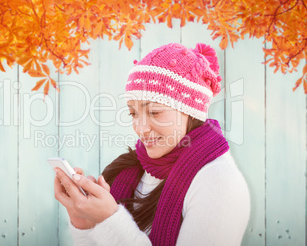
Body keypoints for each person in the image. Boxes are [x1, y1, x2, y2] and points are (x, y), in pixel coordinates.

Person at [53, 43, 251, 245]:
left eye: (154, 112)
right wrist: (85, 225)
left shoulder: (219, 181)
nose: (141, 128)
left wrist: (109, 220)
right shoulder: (128, 170)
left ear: (191, 111)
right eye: (133, 113)